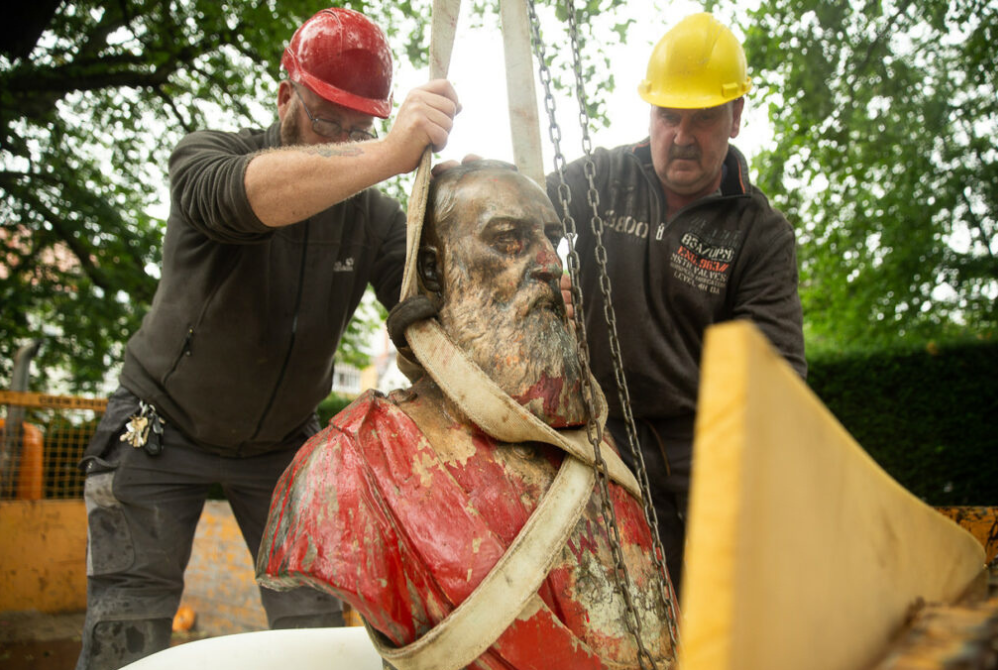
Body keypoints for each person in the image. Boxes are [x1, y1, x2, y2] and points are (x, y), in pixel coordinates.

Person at [75, 8, 460, 669]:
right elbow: (251, 198)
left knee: (312, 625)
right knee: (125, 629)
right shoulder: (207, 159)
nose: (341, 140)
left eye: (357, 128)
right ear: (287, 96)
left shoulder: (375, 217)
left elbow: (428, 311)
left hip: (281, 445)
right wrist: (386, 152)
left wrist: (462, 213)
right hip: (158, 428)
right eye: (325, 121)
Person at [257, 161, 677, 670]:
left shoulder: (595, 446)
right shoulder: (352, 467)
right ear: (435, 271)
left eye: (550, 241)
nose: (550, 263)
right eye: (508, 240)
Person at [547, 12, 807, 596]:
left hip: (702, 451)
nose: (681, 136)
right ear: (651, 113)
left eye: (704, 119)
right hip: (598, 425)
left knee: (710, 611)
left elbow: (777, 375)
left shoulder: (759, 233)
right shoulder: (604, 177)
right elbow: (518, 214)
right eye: (668, 116)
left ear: (736, 117)